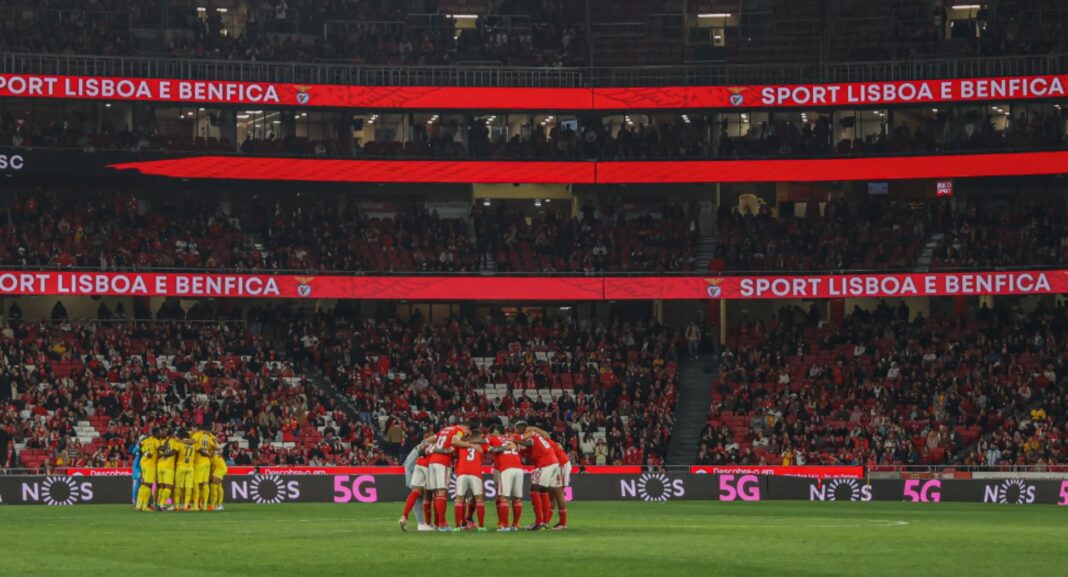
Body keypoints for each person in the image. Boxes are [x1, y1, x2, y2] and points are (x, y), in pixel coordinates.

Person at [515, 421, 560, 530]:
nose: (515, 431)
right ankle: (544, 522)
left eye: (516, 429)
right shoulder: (537, 434)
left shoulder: (530, 434)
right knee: (542, 492)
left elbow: (530, 443)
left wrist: (515, 440)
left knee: (535, 491)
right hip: (552, 462)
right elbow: (530, 449)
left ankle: (539, 522)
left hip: (544, 464)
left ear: (522, 428)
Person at [426, 421, 470, 531]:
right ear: (466, 428)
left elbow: (431, 438)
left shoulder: (445, 429)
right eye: (468, 433)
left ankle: (437, 524)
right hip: (442, 462)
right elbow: (455, 441)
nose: (467, 435)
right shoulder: (459, 431)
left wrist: (425, 443)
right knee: (442, 492)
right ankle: (442, 524)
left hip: (432, 461)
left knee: (436, 494)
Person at [487, 424, 524, 531]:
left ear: (497, 431)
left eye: (492, 432)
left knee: (503, 497)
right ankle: (515, 524)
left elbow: (486, 446)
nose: (490, 434)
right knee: (517, 498)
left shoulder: (493, 438)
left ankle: (504, 524)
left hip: (504, 469)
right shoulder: (511, 438)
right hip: (518, 468)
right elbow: (520, 448)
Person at [399, 434, 436, 532]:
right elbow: (410, 464)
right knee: (422, 495)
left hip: (414, 468)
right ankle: (422, 523)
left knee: (416, 495)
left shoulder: (420, 446)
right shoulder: (429, 446)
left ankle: (408, 518)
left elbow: (408, 462)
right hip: (416, 469)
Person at [453, 432, 487, 532]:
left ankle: (457, 527)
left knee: (459, 500)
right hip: (475, 472)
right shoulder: (481, 445)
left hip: (462, 472)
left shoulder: (461, 444)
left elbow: (454, 450)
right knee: (479, 500)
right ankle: (481, 527)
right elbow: (485, 446)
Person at [174, 428, 198, 511]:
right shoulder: (193, 444)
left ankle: (177, 506)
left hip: (181, 466)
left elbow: (174, 453)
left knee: (178, 487)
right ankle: (185, 506)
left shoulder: (179, 443)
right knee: (188, 487)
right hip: (190, 467)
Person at [155, 426, 178, 511]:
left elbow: (160, 451)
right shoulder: (174, 441)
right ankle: (162, 505)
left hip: (160, 466)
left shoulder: (161, 441)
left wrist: (163, 455)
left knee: (161, 487)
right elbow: (174, 451)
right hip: (168, 467)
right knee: (168, 487)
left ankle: (158, 503)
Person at [209, 426, 228, 511]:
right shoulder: (214, 444)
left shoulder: (213, 444)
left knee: (214, 486)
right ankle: (218, 505)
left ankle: (216, 505)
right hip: (218, 467)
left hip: (220, 467)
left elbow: (214, 453)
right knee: (218, 486)